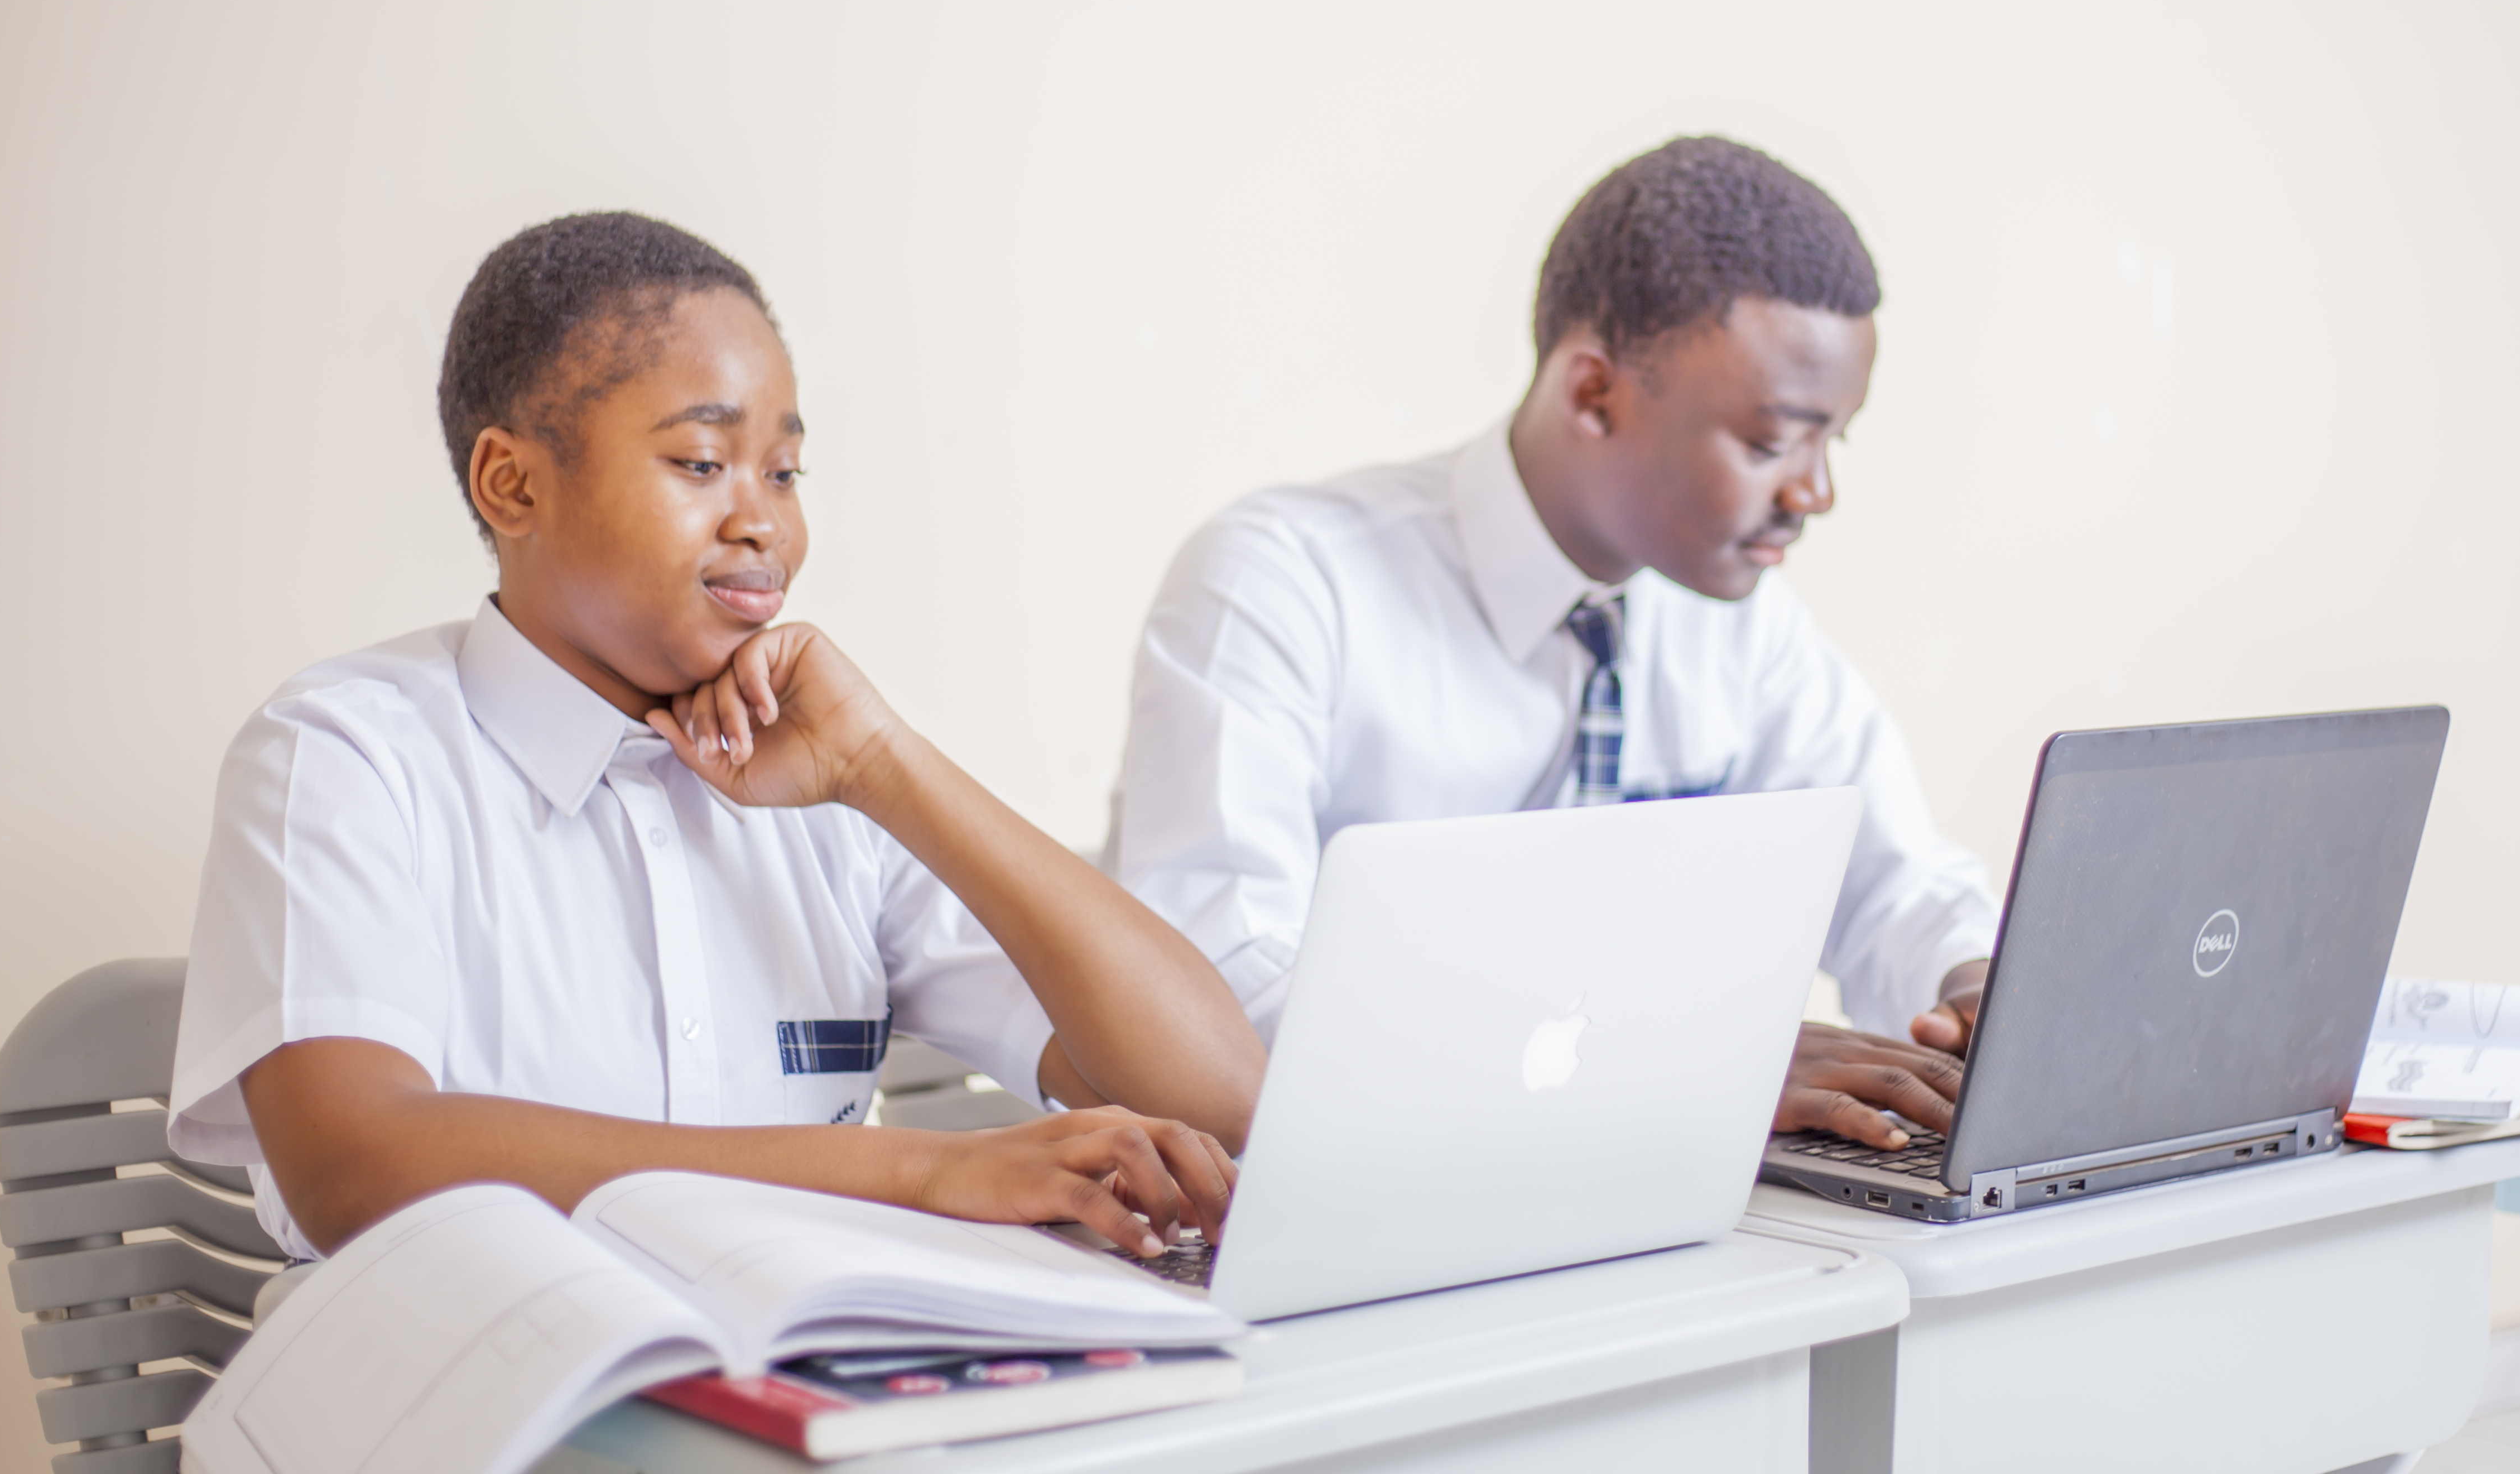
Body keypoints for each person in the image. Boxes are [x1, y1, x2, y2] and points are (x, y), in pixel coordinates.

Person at [170, 212, 1263, 1262]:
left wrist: (887, 764)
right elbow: (356, 1165)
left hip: (798, 1367)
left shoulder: (829, 789)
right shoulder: (343, 758)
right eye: (702, 462)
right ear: (512, 484)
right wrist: (916, 1169)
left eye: (784, 472)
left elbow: (1222, 1097)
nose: (764, 521)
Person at [1107, 137, 1997, 1152]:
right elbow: (1223, 990)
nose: (1816, 492)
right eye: (1770, 442)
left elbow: (1895, 883)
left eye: (1834, 438)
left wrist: (1975, 991)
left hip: (1632, 1192)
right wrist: (1681, 1055)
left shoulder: (1743, 626)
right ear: (1593, 395)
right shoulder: (1285, 585)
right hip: (1346, 1185)